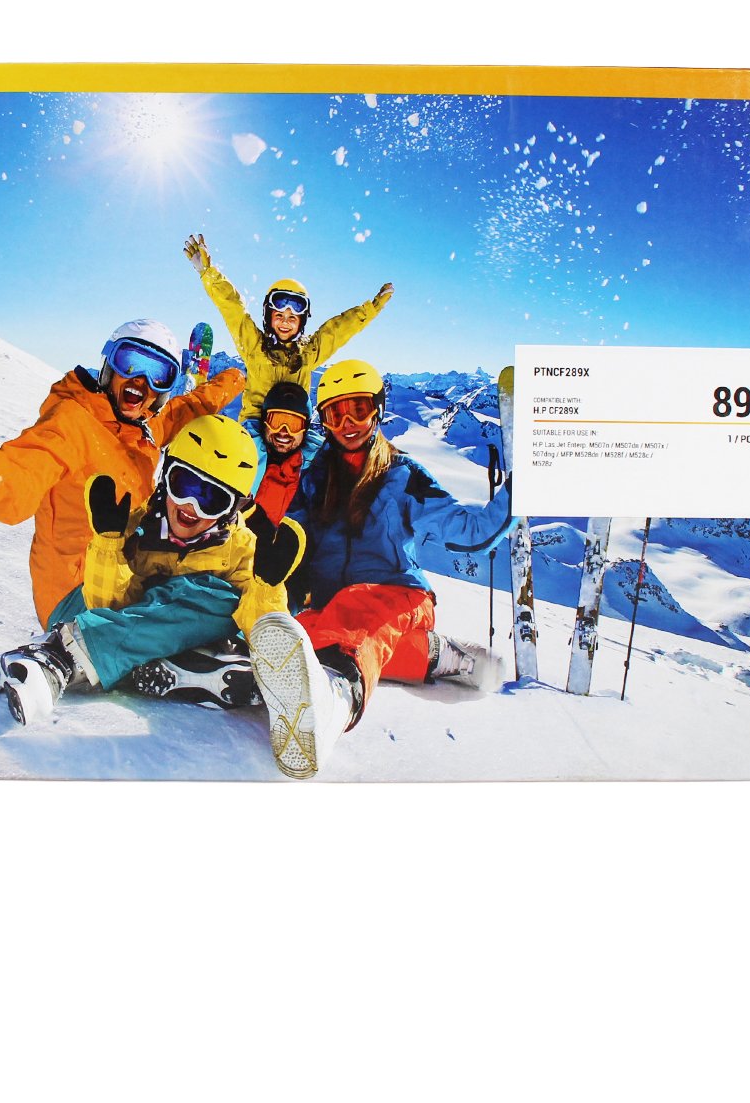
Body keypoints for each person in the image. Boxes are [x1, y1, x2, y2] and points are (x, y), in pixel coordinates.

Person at [246, 358, 511, 778]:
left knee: (352, 613)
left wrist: (520, 491)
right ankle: (439, 656)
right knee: (302, 634)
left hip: (400, 595)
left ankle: (335, 702)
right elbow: (294, 540)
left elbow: (471, 532)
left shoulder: (403, 476)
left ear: (378, 409)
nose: (347, 424)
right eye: (335, 414)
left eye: (359, 409)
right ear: (324, 422)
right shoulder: (314, 479)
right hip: (336, 608)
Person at [0, 415, 305, 726]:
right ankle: (67, 656)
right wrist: (109, 544)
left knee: (224, 600)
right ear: (166, 477)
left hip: (142, 634)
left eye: (211, 499)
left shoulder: (242, 550)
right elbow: (107, 607)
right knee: (213, 598)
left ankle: (125, 663)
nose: (190, 505)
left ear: (233, 509)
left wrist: (266, 586)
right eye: (184, 484)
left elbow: (262, 633)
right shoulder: (137, 527)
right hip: (91, 617)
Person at [0, 319, 245, 629]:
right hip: (75, 594)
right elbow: (19, 478)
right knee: (203, 605)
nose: (141, 381)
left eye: (158, 374)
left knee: (219, 583)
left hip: (123, 576)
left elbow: (190, 407)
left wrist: (237, 377)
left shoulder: (143, 427)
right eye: (130, 362)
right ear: (109, 366)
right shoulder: (73, 423)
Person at [182, 233, 392, 473]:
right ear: (268, 316)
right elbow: (233, 309)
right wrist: (208, 272)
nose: (285, 322)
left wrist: (370, 309)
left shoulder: (308, 353)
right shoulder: (254, 347)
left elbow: (337, 330)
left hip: (296, 428)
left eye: (293, 318)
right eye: (279, 315)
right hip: (257, 426)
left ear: (301, 323)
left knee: (323, 460)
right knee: (253, 461)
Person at [251, 381, 311, 524]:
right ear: (264, 422)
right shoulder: (242, 454)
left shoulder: (319, 466)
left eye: (294, 425)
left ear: (305, 429)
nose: (283, 432)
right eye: (276, 421)